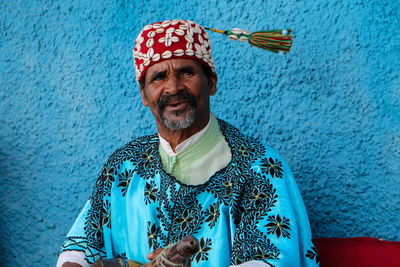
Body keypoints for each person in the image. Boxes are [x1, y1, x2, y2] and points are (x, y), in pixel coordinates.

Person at [57, 19, 319, 267]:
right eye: (158, 77)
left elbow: (268, 258)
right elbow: (81, 245)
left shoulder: (259, 168)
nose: (173, 87)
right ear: (144, 95)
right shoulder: (123, 166)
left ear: (211, 82)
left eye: (186, 72)